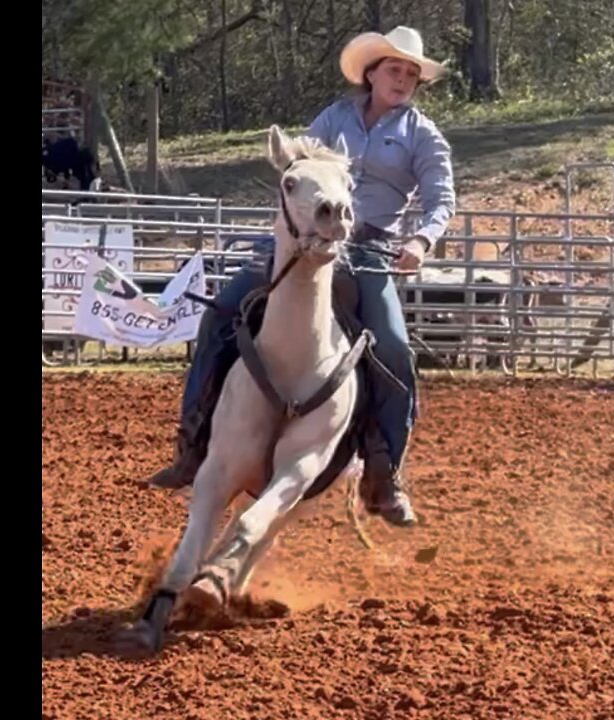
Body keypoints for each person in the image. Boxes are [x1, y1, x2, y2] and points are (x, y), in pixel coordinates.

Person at [146, 25, 455, 528]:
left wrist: (421, 241)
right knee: (224, 312)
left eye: (410, 74)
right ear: (371, 73)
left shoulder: (423, 135)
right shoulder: (334, 117)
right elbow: (300, 165)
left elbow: (441, 198)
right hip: (303, 238)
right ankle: (192, 443)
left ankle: (383, 474)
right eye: (393, 69)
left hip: (369, 247)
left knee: (394, 350)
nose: (401, 79)